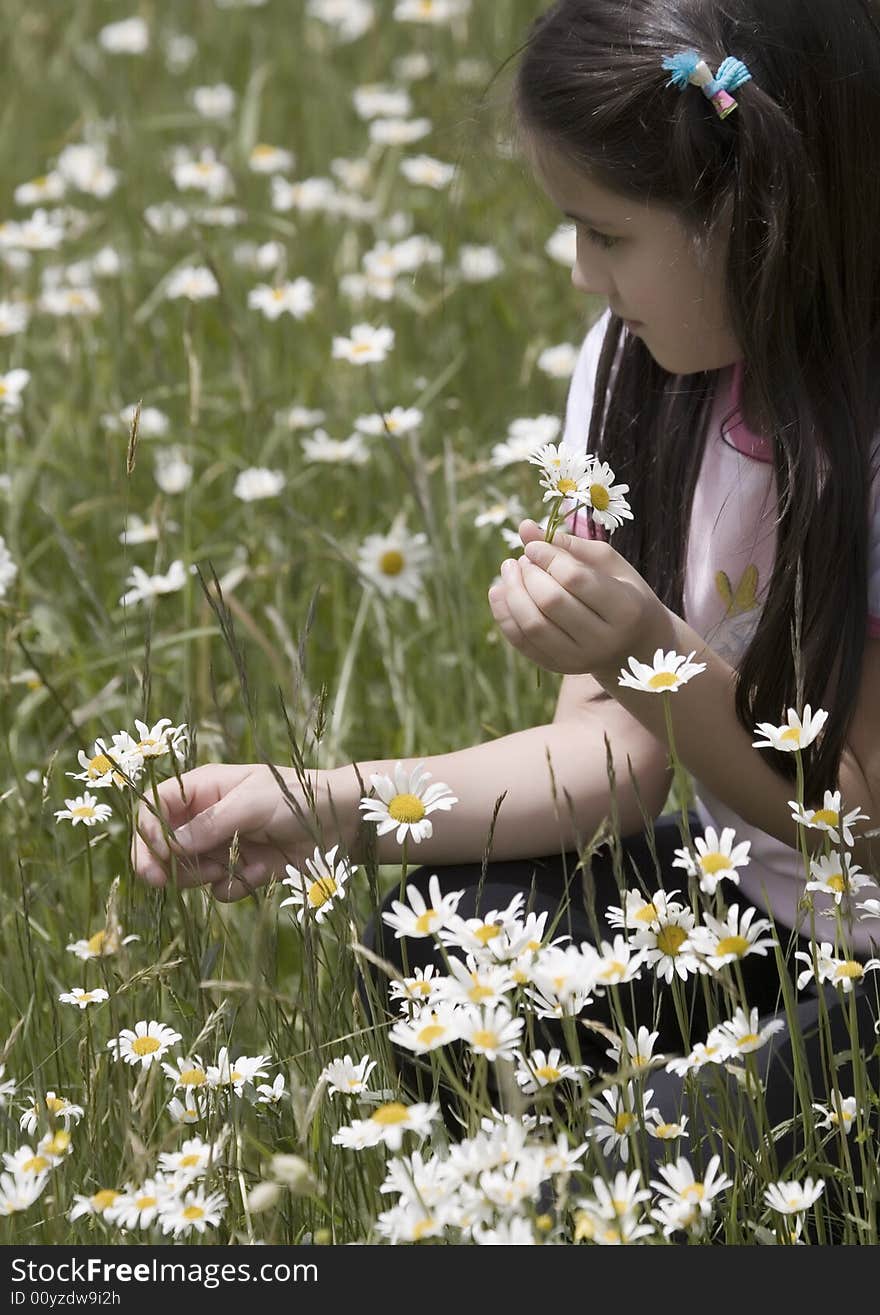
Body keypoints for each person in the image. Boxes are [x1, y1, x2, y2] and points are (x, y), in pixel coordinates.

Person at [132, 0, 880, 1170]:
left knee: (684, 1142)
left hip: (858, 920)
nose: (581, 274)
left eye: (607, 234)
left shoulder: (859, 447)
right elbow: (612, 764)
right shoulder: (638, 367)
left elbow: (860, 825)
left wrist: (650, 656)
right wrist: (328, 803)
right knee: (431, 952)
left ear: (757, 214)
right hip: (762, 907)